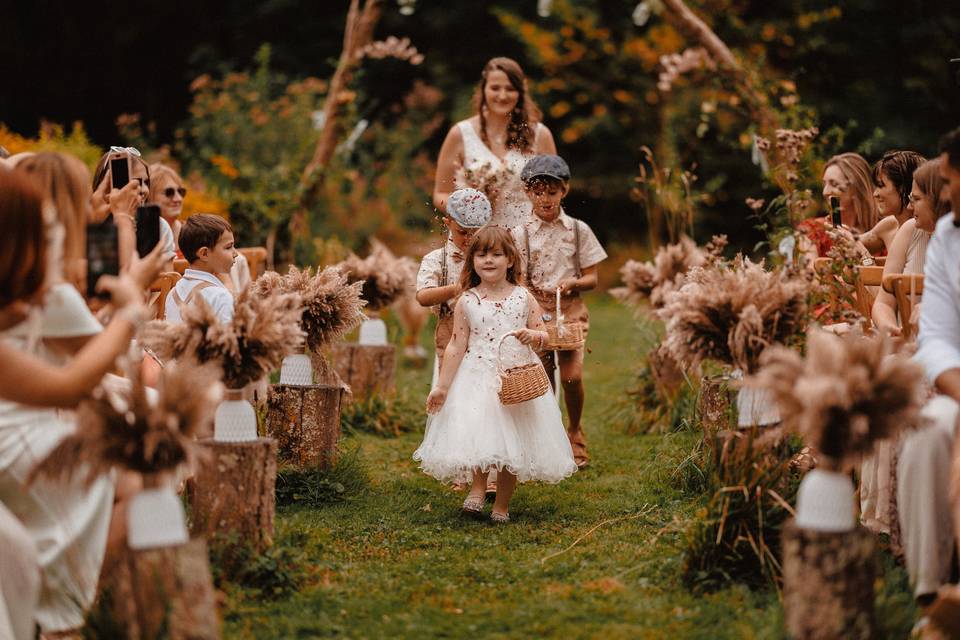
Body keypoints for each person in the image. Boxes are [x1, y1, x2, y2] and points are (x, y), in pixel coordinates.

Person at [0, 166, 164, 636]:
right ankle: (68, 609)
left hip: (33, 420)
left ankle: (68, 605)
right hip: (20, 438)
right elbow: (76, 381)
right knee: (138, 467)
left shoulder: (32, 291)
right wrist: (130, 310)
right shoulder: (46, 289)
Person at [413, 226, 577, 523]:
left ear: (510, 260)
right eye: (481, 254)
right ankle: (477, 489)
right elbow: (456, 344)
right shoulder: (467, 300)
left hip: (514, 377)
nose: (489, 260)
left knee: (511, 443)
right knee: (479, 432)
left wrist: (532, 335)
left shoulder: (523, 298)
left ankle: (501, 504)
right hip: (476, 374)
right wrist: (443, 387)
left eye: (497, 254)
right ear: (472, 261)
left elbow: (544, 335)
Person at [897, 126, 960, 614]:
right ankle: (931, 594)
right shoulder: (946, 239)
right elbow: (935, 339)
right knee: (927, 429)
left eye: (953, 178)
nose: (947, 191)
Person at [511, 155, 607, 468]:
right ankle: (544, 441)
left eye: (551, 192)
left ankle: (575, 430)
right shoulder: (520, 233)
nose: (545, 199)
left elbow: (593, 278)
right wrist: (529, 299)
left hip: (570, 310)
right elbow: (517, 278)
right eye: (538, 192)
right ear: (528, 193)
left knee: (571, 376)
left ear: (563, 191)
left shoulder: (578, 231)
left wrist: (574, 282)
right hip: (535, 309)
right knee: (543, 379)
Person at [433, 57, 557, 228]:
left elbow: (558, 190)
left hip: (530, 237)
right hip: (478, 240)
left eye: (510, 89)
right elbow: (441, 193)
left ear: (520, 92)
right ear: (483, 89)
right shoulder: (460, 134)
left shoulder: (540, 135)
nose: (502, 95)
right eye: (495, 88)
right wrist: (467, 207)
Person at [416, 188, 492, 371]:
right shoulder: (436, 259)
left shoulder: (492, 257)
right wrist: (457, 288)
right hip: (451, 336)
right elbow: (423, 297)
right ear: (447, 223)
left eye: (475, 232)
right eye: (463, 232)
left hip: (487, 334)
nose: (469, 238)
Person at [872, 158, 949, 337]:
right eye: (909, 199)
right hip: (905, 348)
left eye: (915, 199)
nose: (908, 206)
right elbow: (883, 303)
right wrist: (888, 326)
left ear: (937, 199)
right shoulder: (910, 230)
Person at [91, 147, 176, 271]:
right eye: (135, 182)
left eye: (146, 182)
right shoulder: (93, 225)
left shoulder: (158, 225)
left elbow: (167, 278)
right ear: (108, 185)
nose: (143, 190)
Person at [165, 214, 238, 323]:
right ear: (204, 253)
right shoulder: (220, 296)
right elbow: (228, 339)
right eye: (228, 247)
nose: (235, 253)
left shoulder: (172, 294)